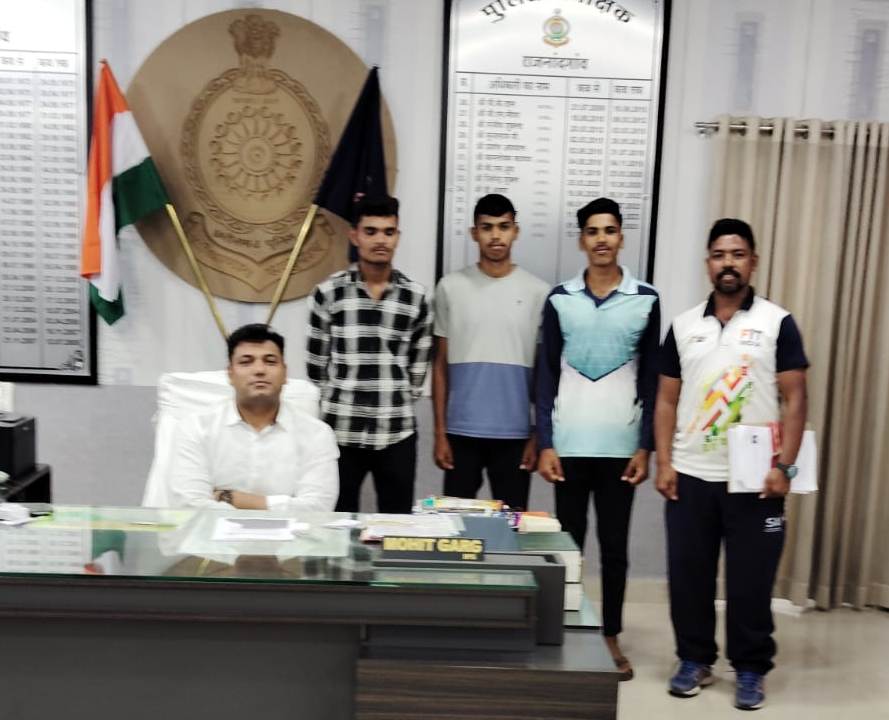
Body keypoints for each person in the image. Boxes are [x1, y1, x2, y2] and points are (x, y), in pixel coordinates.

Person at [655, 218, 808, 711]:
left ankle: (750, 669)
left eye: (738, 254)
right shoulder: (683, 327)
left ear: (753, 262)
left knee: (750, 583)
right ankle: (694, 659)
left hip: (755, 481)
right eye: (720, 255)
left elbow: (795, 398)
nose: (728, 263)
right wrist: (665, 462)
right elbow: (665, 400)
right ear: (708, 263)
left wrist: (785, 467)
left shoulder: (777, 322)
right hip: (691, 475)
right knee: (689, 578)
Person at [536, 197, 660, 680]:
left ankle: (609, 635)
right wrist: (545, 442)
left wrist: (645, 446)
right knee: (568, 547)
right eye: (592, 231)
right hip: (568, 447)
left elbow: (651, 379)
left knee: (614, 549)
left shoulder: (645, 298)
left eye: (609, 230)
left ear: (621, 238)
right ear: (582, 240)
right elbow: (546, 375)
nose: (602, 239)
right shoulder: (559, 298)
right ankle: (568, 628)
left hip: (620, 450)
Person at [306, 195, 432, 513]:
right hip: (340, 430)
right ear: (355, 236)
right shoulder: (328, 293)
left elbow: (418, 369)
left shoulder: (416, 298)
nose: (380, 240)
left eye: (389, 232)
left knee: (398, 526)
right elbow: (316, 366)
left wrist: (393, 397)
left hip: (396, 430)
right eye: (371, 231)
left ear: (398, 237)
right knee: (337, 525)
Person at [432, 194, 550, 509]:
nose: (496, 235)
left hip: (515, 435)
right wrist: (440, 433)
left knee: (511, 527)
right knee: (454, 526)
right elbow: (440, 366)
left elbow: (544, 374)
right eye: (487, 227)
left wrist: (537, 435)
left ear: (516, 231)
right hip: (461, 432)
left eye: (503, 226)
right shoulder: (450, 287)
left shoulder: (538, 292)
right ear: (475, 233)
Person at [168, 323, 339, 511]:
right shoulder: (196, 428)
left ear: (285, 373)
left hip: (291, 532)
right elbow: (188, 504)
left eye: (270, 361)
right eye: (246, 362)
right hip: (214, 531)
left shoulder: (317, 434)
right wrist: (282, 505)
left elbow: (318, 509)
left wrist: (230, 498)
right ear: (230, 374)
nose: (259, 370)